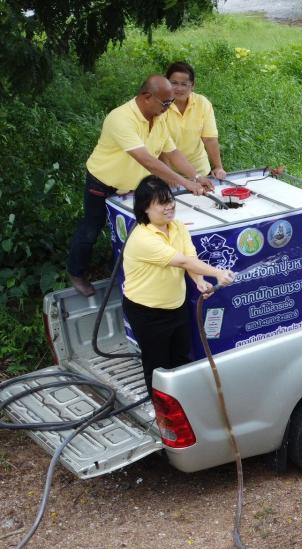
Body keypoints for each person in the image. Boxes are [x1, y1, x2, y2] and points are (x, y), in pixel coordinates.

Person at [68, 75, 214, 297]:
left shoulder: (159, 116)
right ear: (147, 97)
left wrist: (195, 176)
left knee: (135, 229)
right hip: (103, 182)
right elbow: (146, 160)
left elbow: (171, 152)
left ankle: (123, 269)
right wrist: (185, 182)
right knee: (91, 229)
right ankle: (77, 273)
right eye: (166, 103)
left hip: (134, 185)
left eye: (171, 102)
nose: (169, 108)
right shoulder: (121, 118)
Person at [122, 175, 234, 394]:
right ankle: (161, 412)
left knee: (181, 358)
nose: (170, 206)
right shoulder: (143, 239)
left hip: (176, 306)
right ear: (145, 208)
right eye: (162, 203)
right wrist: (218, 273)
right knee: (158, 366)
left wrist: (200, 281)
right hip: (147, 312)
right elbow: (181, 261)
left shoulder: (177, 227)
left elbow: (189, 256)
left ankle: (183, 406)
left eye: (170, 200)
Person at [164, 61, 226, 181]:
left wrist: (218, 167)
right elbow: (160, 144)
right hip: (168, 173)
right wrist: (168, 175)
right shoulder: (160, 105)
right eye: (174, 83)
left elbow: (210, 138)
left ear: (192, 85)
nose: (179, 88)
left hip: (199, 171)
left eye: (184, 84)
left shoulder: (202, 103)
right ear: (166, 83)